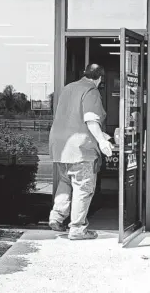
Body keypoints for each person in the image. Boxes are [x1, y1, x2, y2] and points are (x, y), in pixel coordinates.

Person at [48, 63, 113, 240]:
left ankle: (57, 216)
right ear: (99, 78)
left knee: (65, 181)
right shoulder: (91, 91)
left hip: (60, 146)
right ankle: (77, 228)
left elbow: (72, 118)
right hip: (80, 148)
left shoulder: (68, 88)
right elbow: (91, 119)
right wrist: (101, 141)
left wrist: (102, 136)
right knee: (83, 186)